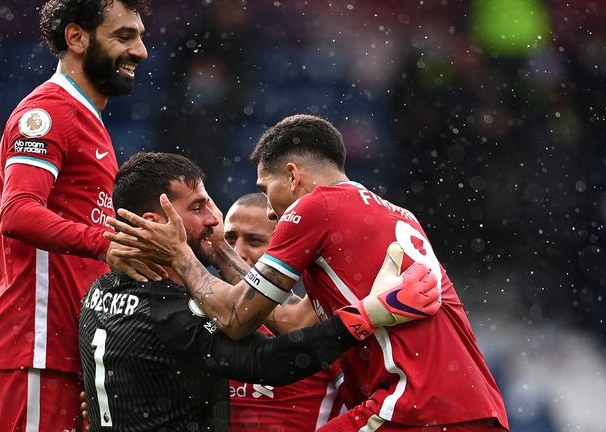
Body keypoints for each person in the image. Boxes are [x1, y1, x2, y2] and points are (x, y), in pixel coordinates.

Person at [106, 114, 509, 431]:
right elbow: (294, 323)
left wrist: (181, 256)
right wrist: (221, 254)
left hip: (413, 403)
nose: (269, 210)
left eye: (266, 190)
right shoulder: (391, 215)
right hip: (475, 405)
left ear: (294, 176)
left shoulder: (314, 207)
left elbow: (235, 318)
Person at [79, 151, 440, 431]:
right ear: (157, 223)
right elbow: (268, 359)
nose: (213, 223)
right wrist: (368, 313)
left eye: (254, 241)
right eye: (198, 207)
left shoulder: (100, 292)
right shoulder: (186, 313)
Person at [0, 1, 158, 430]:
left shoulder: (90, 123)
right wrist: (106, 244)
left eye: (141, 36)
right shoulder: (48, 113)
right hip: (36, 343)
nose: (141, 51)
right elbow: (18, 213)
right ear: (76, 38)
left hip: (71, 348)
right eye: (124, 36)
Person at [224, 193, 344, 431]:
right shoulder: (205, 317)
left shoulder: (327, 320)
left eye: (254, 241)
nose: (236, 253)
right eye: (228, 240)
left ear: (285, 249)